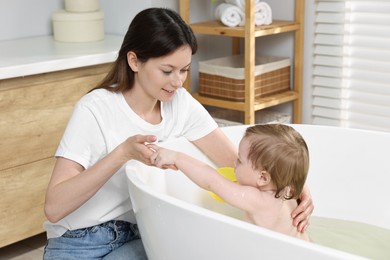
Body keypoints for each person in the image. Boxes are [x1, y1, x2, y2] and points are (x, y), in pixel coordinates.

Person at [43, 7, 313, 259]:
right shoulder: (96, 109)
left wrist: (289, 184)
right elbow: (54, 208)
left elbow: (237, 164)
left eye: (184, 70)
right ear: (134, 61)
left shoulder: (180, 104)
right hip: (79, 243)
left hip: (138, 234)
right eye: (167, 71)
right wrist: (122, 154)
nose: (178, 81)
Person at [150, 124, 311, 241]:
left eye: (240, 161)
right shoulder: (290, 191)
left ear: (263, 178)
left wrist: (177, 158)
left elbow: (211, 181)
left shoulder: (257, 199)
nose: (234, 163)